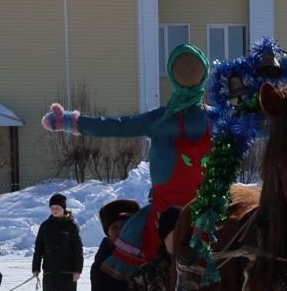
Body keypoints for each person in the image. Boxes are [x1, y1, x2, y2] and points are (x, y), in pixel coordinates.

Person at [41, 44, 213, 224]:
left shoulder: (158, 120)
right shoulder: (217, 119)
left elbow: (115, 126)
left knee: (127, 241)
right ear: (205, 75)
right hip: (209, 216)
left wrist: (71, 121)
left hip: (162, 217)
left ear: (171, 76)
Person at [33, 194, 85, 291]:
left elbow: (78, 250)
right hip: (50, 270)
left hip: (67, 271)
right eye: (52, 208)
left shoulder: (71, 226)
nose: (54, 210)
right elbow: (38, 249)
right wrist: (35, 268)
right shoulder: (45, 226)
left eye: (57, 208)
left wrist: (77, 270)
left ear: (64, 208)